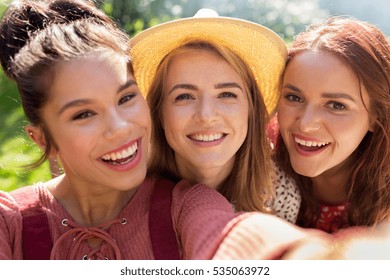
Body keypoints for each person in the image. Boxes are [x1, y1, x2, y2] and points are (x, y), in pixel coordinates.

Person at [0, 0, 332, 260]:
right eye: (84, 113)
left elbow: (230, 236)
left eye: (126, 97)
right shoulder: (10, 220)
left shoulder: (187, 202)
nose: (119, 128)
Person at [130, 9, 301, 223]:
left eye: (226, 94)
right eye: (184, 96)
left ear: (251, 110)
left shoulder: (280, 196)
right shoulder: (128, 198)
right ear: (159, 114)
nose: (206, 115)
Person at [274, 16, 390, 233]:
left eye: (336, 105)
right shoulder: (257, 156)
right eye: (294, 98)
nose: (306, 124)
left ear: (376, 117)